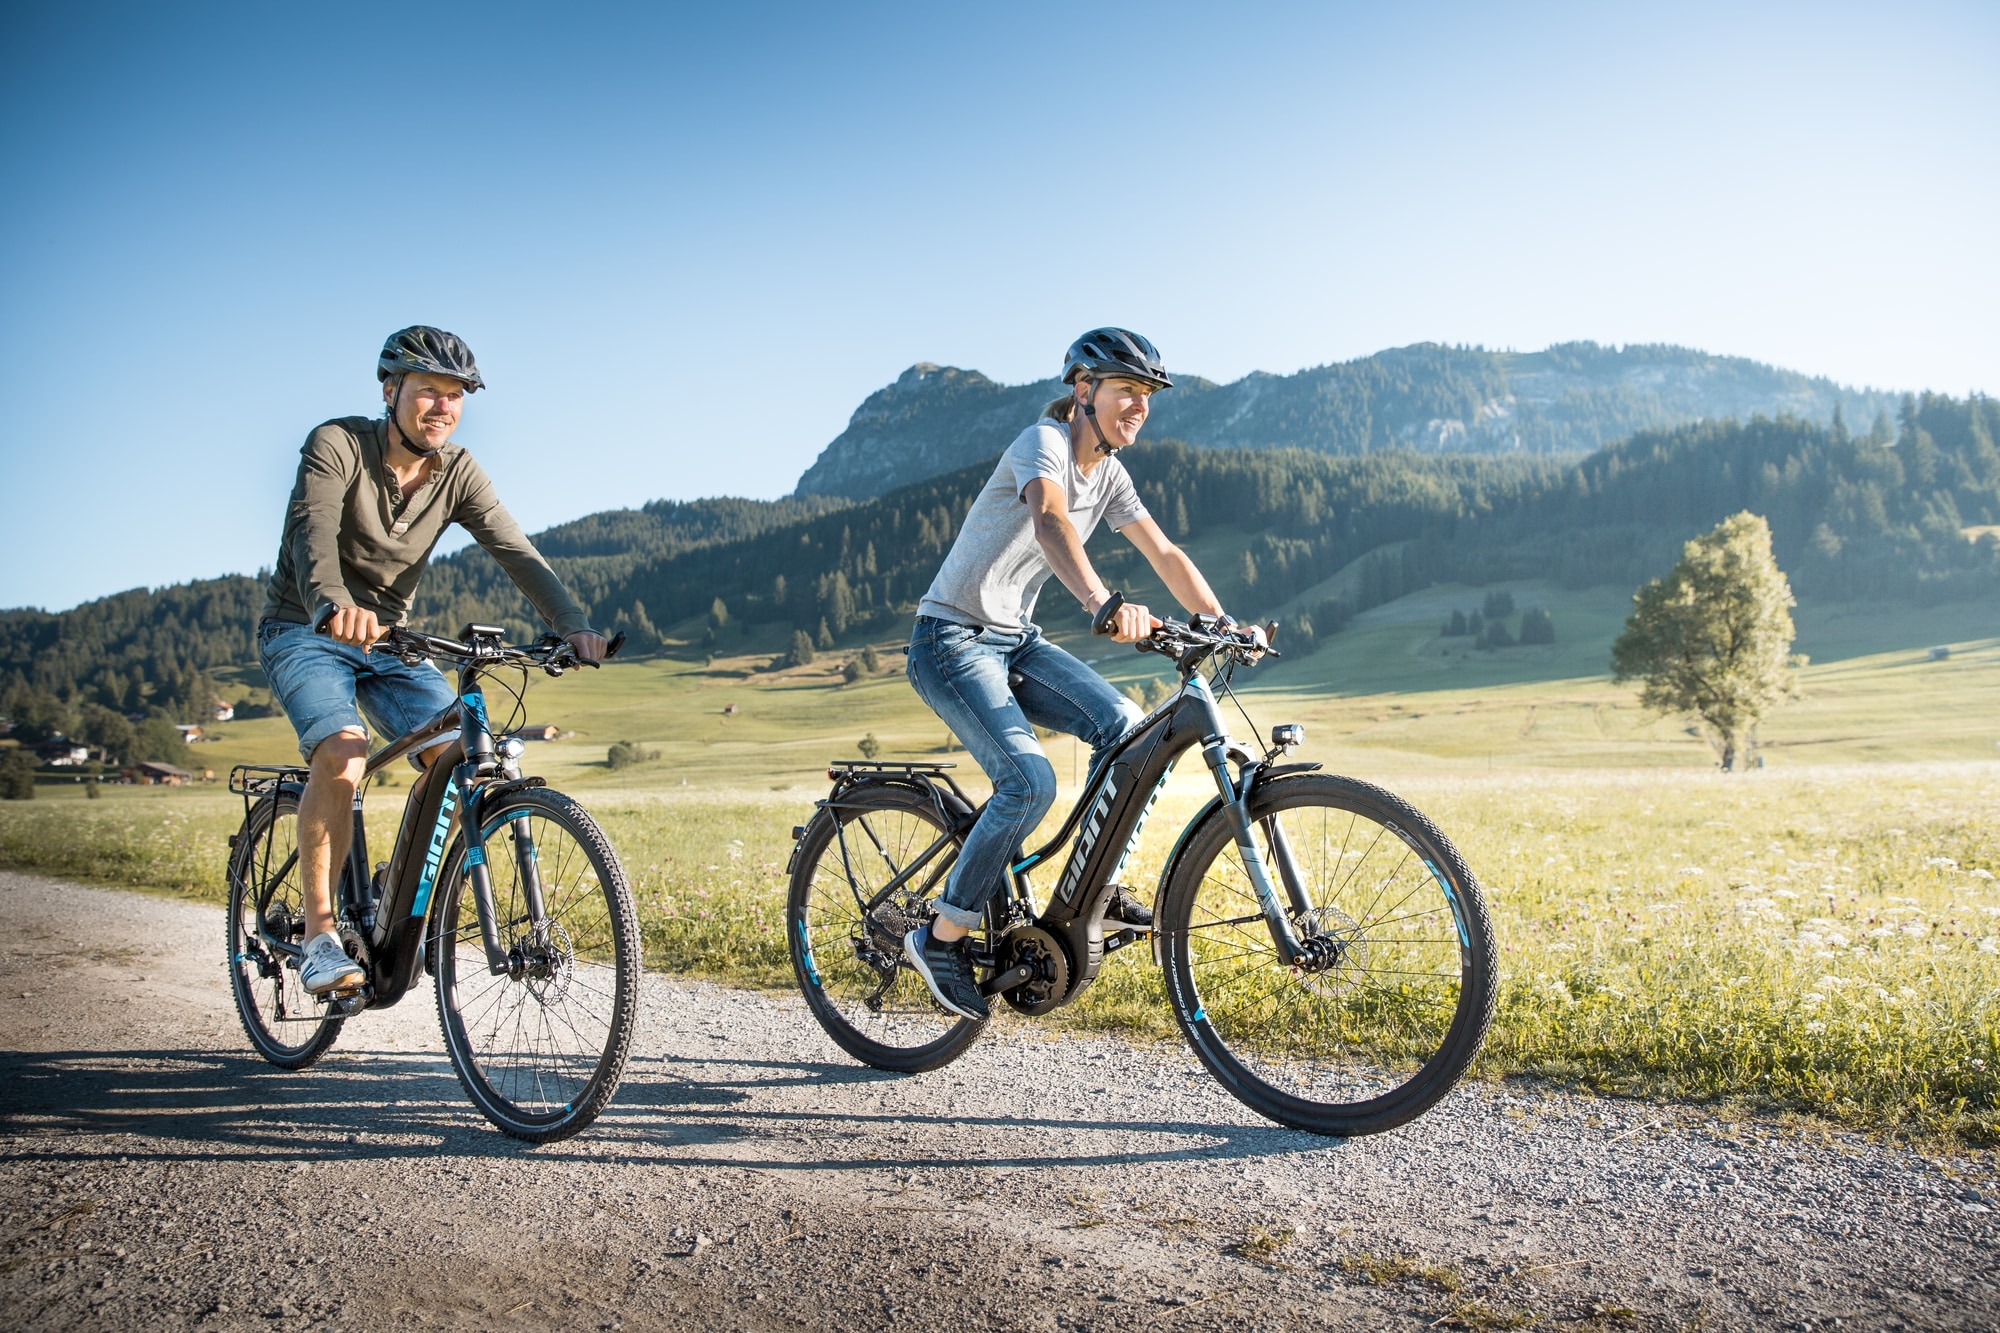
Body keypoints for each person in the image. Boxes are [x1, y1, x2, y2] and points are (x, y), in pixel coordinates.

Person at [902, 327, 1256, 1020]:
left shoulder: (1113, 475)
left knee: (1127, 729)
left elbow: (1164, 549)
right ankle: (940, 934)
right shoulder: (1045, 444)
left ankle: (1096, 886)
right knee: (1028, 781)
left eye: (1147, 395)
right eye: (1127, 390)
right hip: (949, 638)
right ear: (1084, 389)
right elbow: (1050, 520)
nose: (1139, 406)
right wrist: (1102, 601)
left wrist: (1222, 620)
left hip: (1013, 641)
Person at [256, 326, 606, 996]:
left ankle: (394, 888)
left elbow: (514, 549)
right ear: (391, 392)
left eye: (455, 395)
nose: (442, 407)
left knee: (458, 755)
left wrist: (573, 626)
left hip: (392, 641)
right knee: (345, 751)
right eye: (428, 392)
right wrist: (332, 603)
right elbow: (312, 535)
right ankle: (320, 937)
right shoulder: (336, 445)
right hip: (305, 627)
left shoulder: (459, 472)